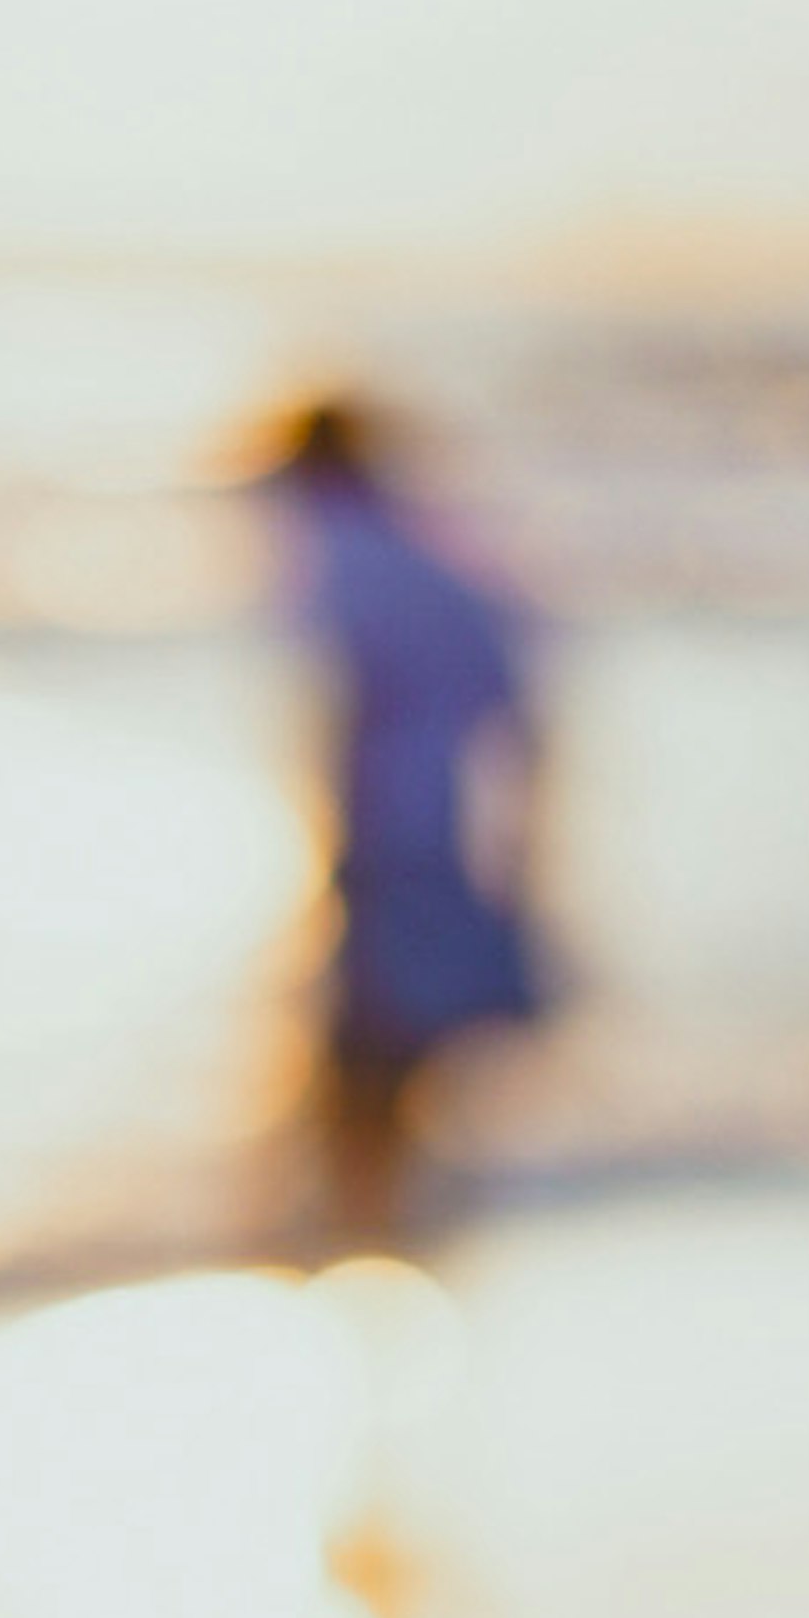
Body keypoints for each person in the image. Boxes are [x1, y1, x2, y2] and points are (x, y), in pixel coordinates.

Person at [264, 394, 544, 1244]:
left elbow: (340, 704)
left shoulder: (341, 556)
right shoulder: (434, 554)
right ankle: (396, 1226)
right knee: (407, 1052)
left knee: (363, 1054)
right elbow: (517, 699)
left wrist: (328, 841)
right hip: (449, 823)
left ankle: (359, 1230)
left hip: (385, 826)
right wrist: (528, 840)